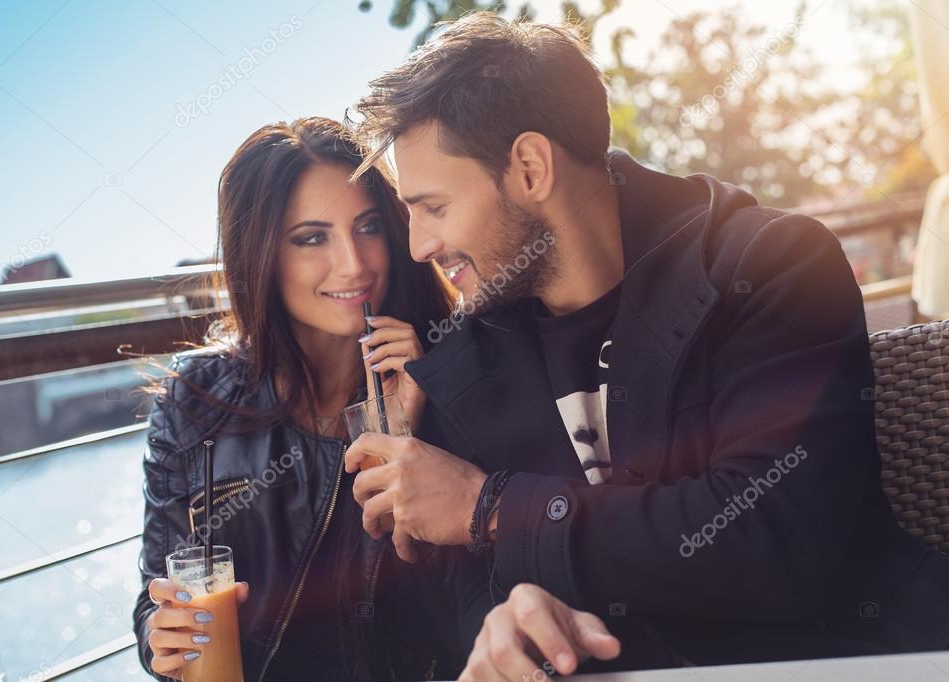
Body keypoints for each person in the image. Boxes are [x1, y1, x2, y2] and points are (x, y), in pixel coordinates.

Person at [343, 11, 949, 679]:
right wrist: (500, 626)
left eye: (432, 207)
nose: (417, 246)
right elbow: (469, 594)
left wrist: (490, 507)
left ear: (528, 167)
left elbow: (774, 545)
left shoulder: (769, 266)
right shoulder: (466, 358)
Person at [131, 117, 460, 681]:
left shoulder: (448, 370)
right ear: (260, 256)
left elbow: (459, 612)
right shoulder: (194, 402)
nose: (354, 264)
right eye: (311, 238)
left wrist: (406, 428)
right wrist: (156, 637)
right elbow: (160, 595)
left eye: (369, 227)